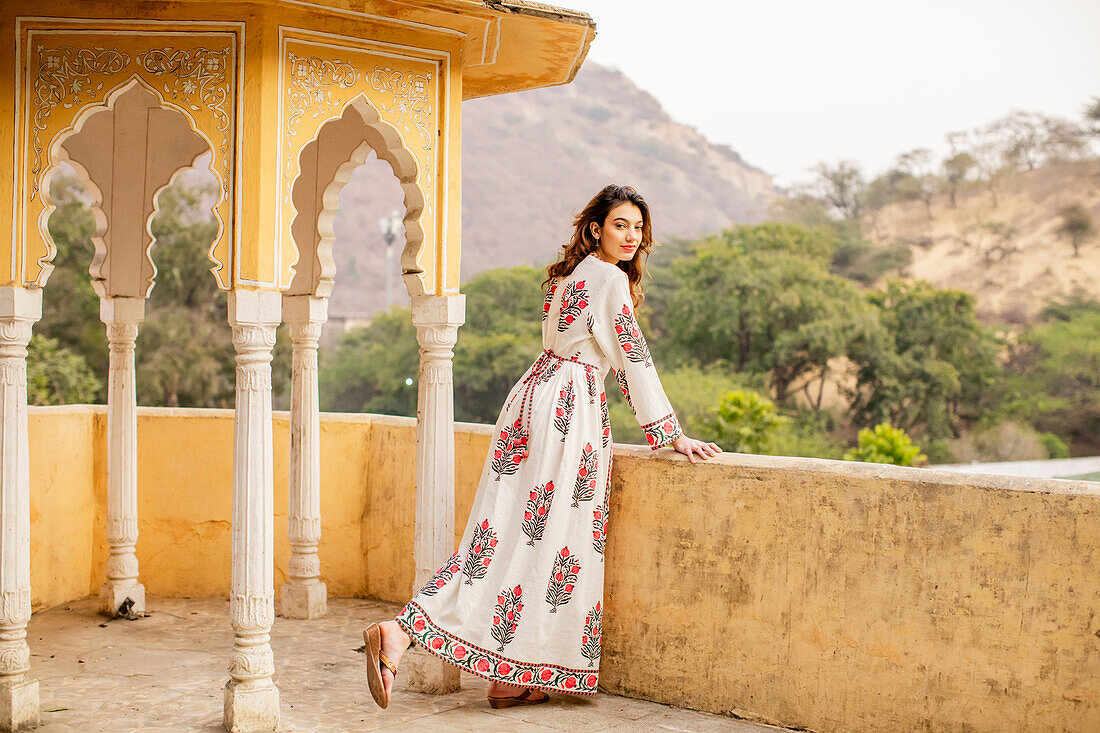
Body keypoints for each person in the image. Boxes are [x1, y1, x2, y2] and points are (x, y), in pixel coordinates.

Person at [364, 184, 721, 710]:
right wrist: (669, 433)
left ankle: (511, 674)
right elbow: (632, 358)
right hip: (567, 409)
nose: (631, 236)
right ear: (596, 228)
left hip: (531, 399)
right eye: (620, 224)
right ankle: (402, 632)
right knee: (551, 542)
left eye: (638, 227)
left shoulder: (570, 278)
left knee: (501, 536)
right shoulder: (608, 280)